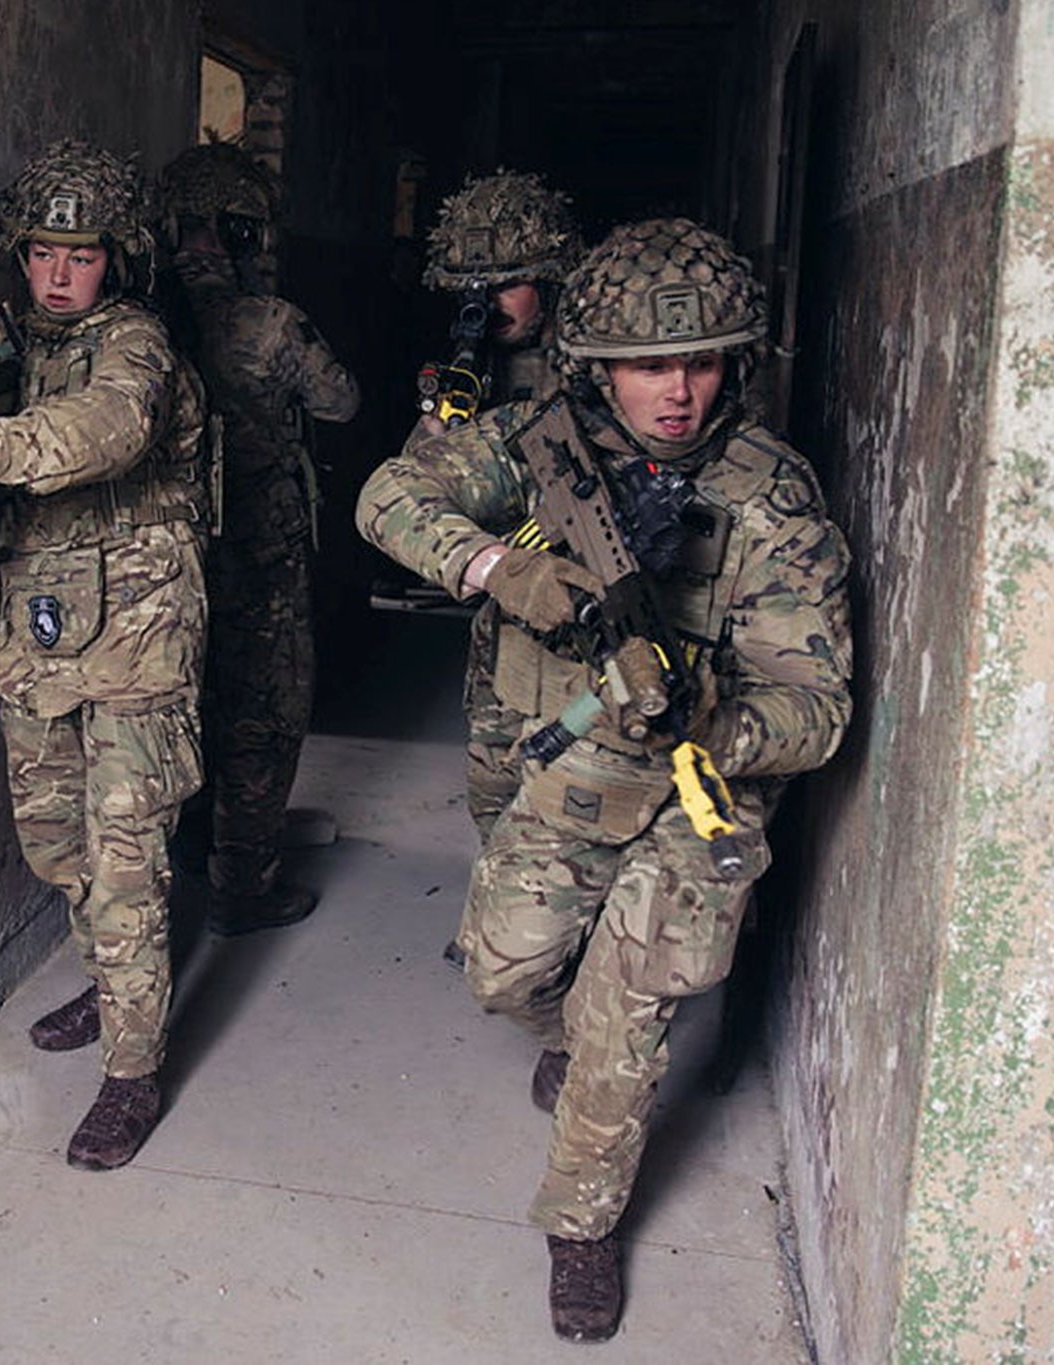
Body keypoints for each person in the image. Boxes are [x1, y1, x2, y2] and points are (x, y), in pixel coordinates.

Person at [355, 218, 852, 1340]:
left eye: (699, 363)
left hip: (698, 781)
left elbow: (815, 707)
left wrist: (718, 719)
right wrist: (500, 568)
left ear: (734, 364)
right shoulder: (537, 442)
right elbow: (386, 497)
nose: (673, 393)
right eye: (643, 367)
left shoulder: (771, 498)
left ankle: (580, 1224)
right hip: (578, 761)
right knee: (502, 969)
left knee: (634, 999)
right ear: (595, 369)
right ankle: (575, 1045)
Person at [0, 138, 209, 1172]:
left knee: (124, 857)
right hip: (42, 631)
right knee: (55, 845)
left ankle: (131, 1066)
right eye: (40, 253)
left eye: (80, 254)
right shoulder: (9, 350)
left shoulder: (136, 348)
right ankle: (114, 978)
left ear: (116, 258)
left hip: (141, 641)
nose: (59, 274)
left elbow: (98, 436)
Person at [156, 141, 360, 936]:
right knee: (264, 715)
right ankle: (245, 884)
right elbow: (341, 400)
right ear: (249, 237)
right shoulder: (269, 324)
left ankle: (191, 854)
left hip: (168, 561)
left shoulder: (142, 321)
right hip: (261, 556)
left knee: (184, 702)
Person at [407, 170, 581, 967]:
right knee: (489, 779)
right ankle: (495, 919)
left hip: (577, 613)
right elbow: (415, 485)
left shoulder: (591, 371)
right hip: (498, 607)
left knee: (566, 789)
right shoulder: (471, 370)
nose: (490, 301)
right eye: (472, 285)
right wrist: (445, 414)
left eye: (507, 282)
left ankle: (556, 962)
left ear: (548, 279)